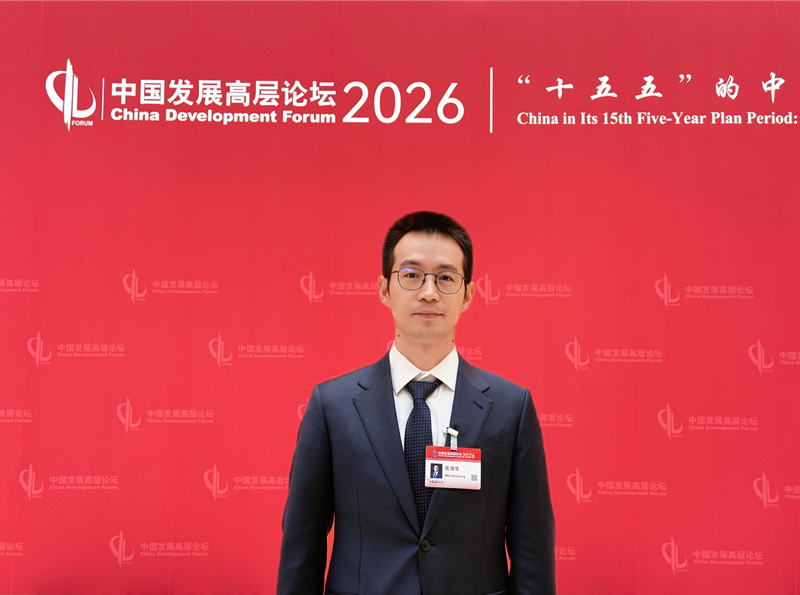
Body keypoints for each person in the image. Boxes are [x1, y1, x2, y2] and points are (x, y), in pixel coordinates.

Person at [278, 211, 555, 595]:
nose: (428, 292)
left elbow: (532, 548)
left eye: (446, 278)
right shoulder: (332, 405)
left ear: (468, 294)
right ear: (384, 289)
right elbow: (302, 542)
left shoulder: (511, 407)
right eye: (411, 275)